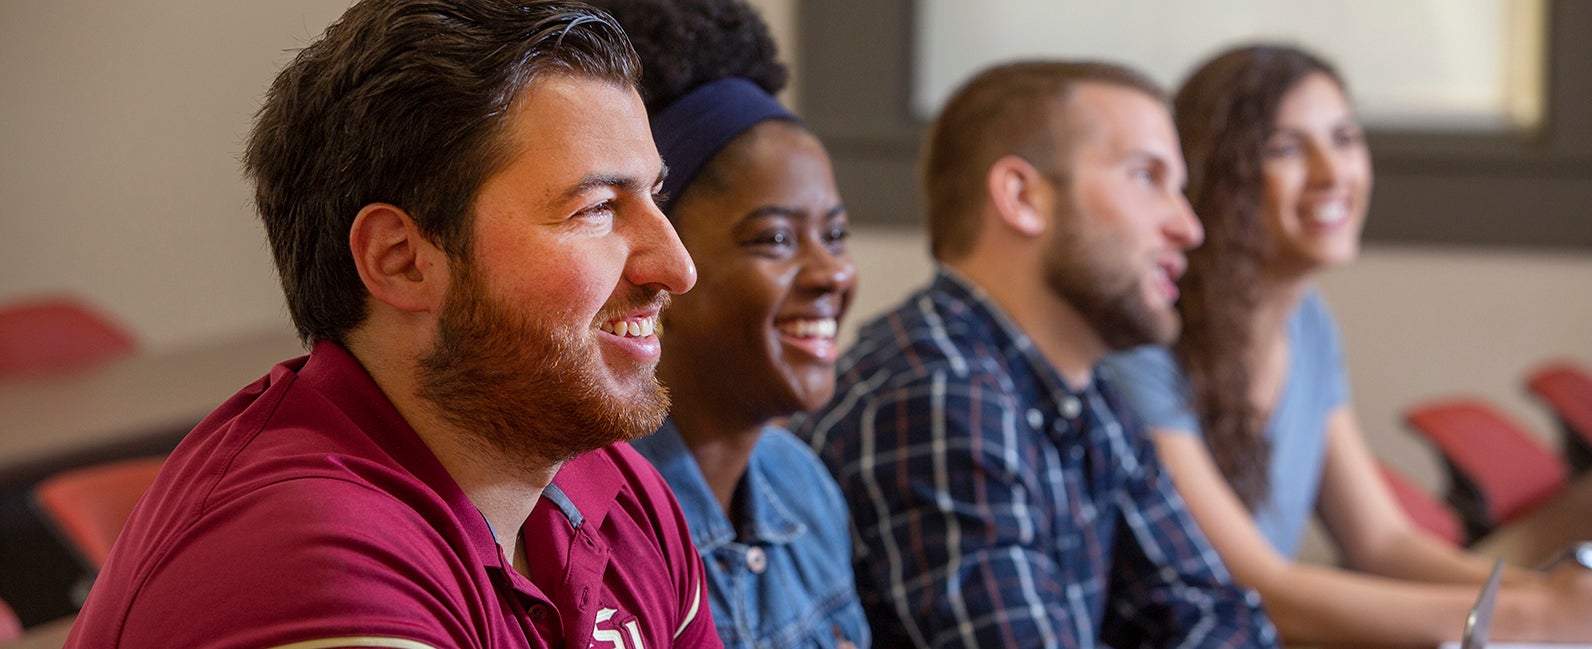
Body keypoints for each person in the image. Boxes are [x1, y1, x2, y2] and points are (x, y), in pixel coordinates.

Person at [64, 2, 721, 647]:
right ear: (401, 260)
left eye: (654, 196)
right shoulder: (311, 564)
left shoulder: (616, 491)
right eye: (597, 208)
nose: (678, 267)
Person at [1103, 43, 1592, 646]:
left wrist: (1548, 598)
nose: (1333, 173)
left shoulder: (1308, 322)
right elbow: (1259, 590)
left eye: (1344, 138)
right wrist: (1541, 618)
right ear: (1214, 175)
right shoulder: (1145, 349)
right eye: (1286, 148)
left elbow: (1381, 542)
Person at [796, 60, 1278, 649]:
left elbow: (1217, 615)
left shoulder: (1086, 392)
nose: (1188, 227)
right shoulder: (937, 392)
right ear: (1022, 197)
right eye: (1146, 177)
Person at [586, 1, 871, 647]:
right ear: (660, 265)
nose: (832, 273)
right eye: (775, 239)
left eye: (835, 235)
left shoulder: (801, 483)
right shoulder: (594, 520)